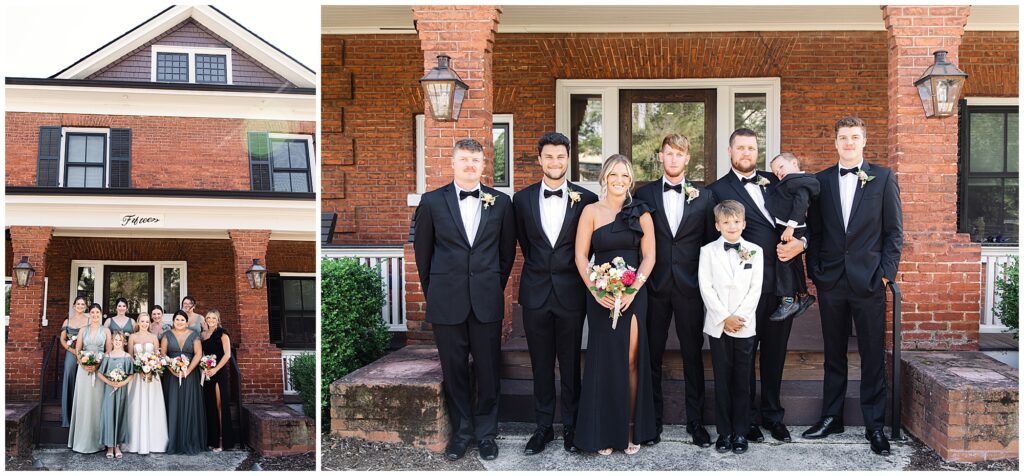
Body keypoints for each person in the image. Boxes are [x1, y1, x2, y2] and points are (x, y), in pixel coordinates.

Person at [803, 116, 903, 456]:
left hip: (869, 280)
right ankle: (832, 417)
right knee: (834, 353)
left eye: (854, 137)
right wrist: (815, 271)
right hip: (831, 280)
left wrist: (886, 274)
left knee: (873, 354)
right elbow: (814, 232)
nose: (848, 143)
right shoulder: (821, 181)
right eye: (843, 137)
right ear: (835, 142)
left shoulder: (883, 177)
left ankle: (875, 425)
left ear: (864, 141)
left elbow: (894, 233)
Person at [412, 138, 516, 461]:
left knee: (487, 370)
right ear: (453, 163)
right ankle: (462, 432)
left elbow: (506, 254)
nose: (470, 165)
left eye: (476, 160)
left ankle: (486, 434)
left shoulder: (501, 203)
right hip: (447, 301)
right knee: (454, 371)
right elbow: (423, 255)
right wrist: (436, 292)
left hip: (486, 301)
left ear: (484, 165)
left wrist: (491, 286)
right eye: (464, 160)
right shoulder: (430, 202)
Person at [707, 128, 804, 444]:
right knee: (744, 353)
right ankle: (745, 420)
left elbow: (806, 218)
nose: (746, 153)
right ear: (730, 151)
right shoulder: (717, 190)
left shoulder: (777, 179)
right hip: (743, 285)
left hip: (782, 280)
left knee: (775, 352)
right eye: (740, 148)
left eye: (751, 148)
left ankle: (773, 416)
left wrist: (801, 244)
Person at [512, 132, 598, 455]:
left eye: (560, 156)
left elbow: (590, 246)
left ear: (568, 159)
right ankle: (543, 427)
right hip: (535, 294)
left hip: (572, 294)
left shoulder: (586, 199)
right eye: (548, 156)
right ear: (539, 159)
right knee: (541, 364)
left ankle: (572, 426)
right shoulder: (521, 200)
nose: (555, 162)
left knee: (571, 363)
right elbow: (524, 242)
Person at [634, 134, 716, 447]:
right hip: (653, 287)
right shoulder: (644, 193)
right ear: (660, 157)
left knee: (693, 355)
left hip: (690, 288)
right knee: (651, 355)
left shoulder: (704, 197)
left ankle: (696, 423)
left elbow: (709, 245)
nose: (673, 159)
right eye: (668, 154)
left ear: (687, 159)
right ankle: (651, 422)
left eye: (679, 155)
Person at [574, 154, 657, 455]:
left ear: (630, 180)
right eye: (614, 175)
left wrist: (634, 289)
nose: (619, 181)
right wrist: (596, 291)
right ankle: (605, 431)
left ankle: (631, 429)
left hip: (634, 296)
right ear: (605, 178)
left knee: (632, 360)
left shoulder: (641, 213)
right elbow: (581, 257)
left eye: (625, 176)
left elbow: (650, 256)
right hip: (601, 293)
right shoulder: (591, 211)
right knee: (603, 361)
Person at [698, 200, 763, 455]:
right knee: (722, 379)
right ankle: (724, 432)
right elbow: (706, 287)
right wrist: (725, 317)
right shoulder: (708, 251)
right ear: (717, 225)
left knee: (742, 381)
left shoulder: (755, 251)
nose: (732, 226)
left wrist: (740, 317)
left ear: (744, 223)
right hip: (718, 325)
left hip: (745, 326)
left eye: (736, 221)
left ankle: (741, 432)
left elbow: (755, 289)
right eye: (726, 222)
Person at [765, 153, 821, 321]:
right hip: (789, 226)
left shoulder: (799, 182)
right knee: (794, 263)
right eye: (775, 172)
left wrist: (790, 226)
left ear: (795, 163)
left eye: (781, 167)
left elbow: (801, 203)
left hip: (792, 228)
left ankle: (788, 300)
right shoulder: (791, 182)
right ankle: (804, 296)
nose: (778, 173)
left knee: (783, 260)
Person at [68, 303, 112, 453]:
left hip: (99, 371)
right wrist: (84, 363)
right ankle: (81, 440)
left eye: (97, 313)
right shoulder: (82, 330)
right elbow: (78, 350)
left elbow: (108, 351)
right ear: (89, 314)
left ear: (100, 314)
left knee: (97, 404)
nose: (94, 315)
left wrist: (98, 363)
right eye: (92, 312)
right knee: (83, 402)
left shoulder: (106, 331)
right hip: (83, 370)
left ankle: (97, 441)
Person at [161, 310, 207, 455]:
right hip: (171, 376)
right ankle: (172, 440)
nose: (179, 322)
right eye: (177, 319)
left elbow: (198, 354)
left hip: (190, 376)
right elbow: (163, 354)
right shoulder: (167, 335)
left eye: (182, 319)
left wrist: (188, 370)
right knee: (173, 404)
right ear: (173, 321)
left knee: (189, 405)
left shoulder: (194, 335)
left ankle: (189, 439)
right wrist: (172, 368)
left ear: (186, 321)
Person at [124, 311, 169, 454]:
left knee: (152, 405)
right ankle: (135, 442)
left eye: (146, 322)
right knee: (135, 405)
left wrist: (152, 367)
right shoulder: (132, 337)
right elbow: (130, 357)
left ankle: (155, 442)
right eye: (142, 321)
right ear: (137, 322)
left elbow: (158, 356)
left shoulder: (154, 337)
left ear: (149, 323)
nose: (144, 324)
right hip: (137, 376)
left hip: (152, 377)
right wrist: (139, 367)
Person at [201, 309, 236, 451]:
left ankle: (223, 441)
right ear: (205, 319)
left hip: (219, 372)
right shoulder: (203, 335)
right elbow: (203, 353)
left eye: (213, 318)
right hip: (207, 372)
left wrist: (215, 369)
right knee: (210, 406)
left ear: (218, 319)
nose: (210, 320)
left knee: (219, 405)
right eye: (208, 318)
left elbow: (227, 354)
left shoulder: (222, 333)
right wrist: (204, 367)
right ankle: (213, 440)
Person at [98, 330, 134, 458]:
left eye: (120, 340)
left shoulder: (127, 357)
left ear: (123, 342)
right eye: (116, 340)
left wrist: (122, 383)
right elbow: (99, 373)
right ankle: (110, 446)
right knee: (109, 415)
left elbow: (131, 374)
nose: (118, 342)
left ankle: (117, 445)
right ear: (112, 341)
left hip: (121, 389)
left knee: (119, 414)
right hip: (109, 389)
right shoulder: (107, 356)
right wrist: (110, 382)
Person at [60, 296, 89, 427]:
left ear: (85, 307)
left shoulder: (89, 321)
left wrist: (81, 352)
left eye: (83, 304)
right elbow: (63, 340)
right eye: (78, 304)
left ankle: (82, 416)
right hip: (71, 354)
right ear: (74, 306)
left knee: (83, 382)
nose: (80, 306)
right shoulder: (67, 321)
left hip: (85, 354)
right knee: (69, 379)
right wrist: (72, 351)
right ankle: (68, 417)